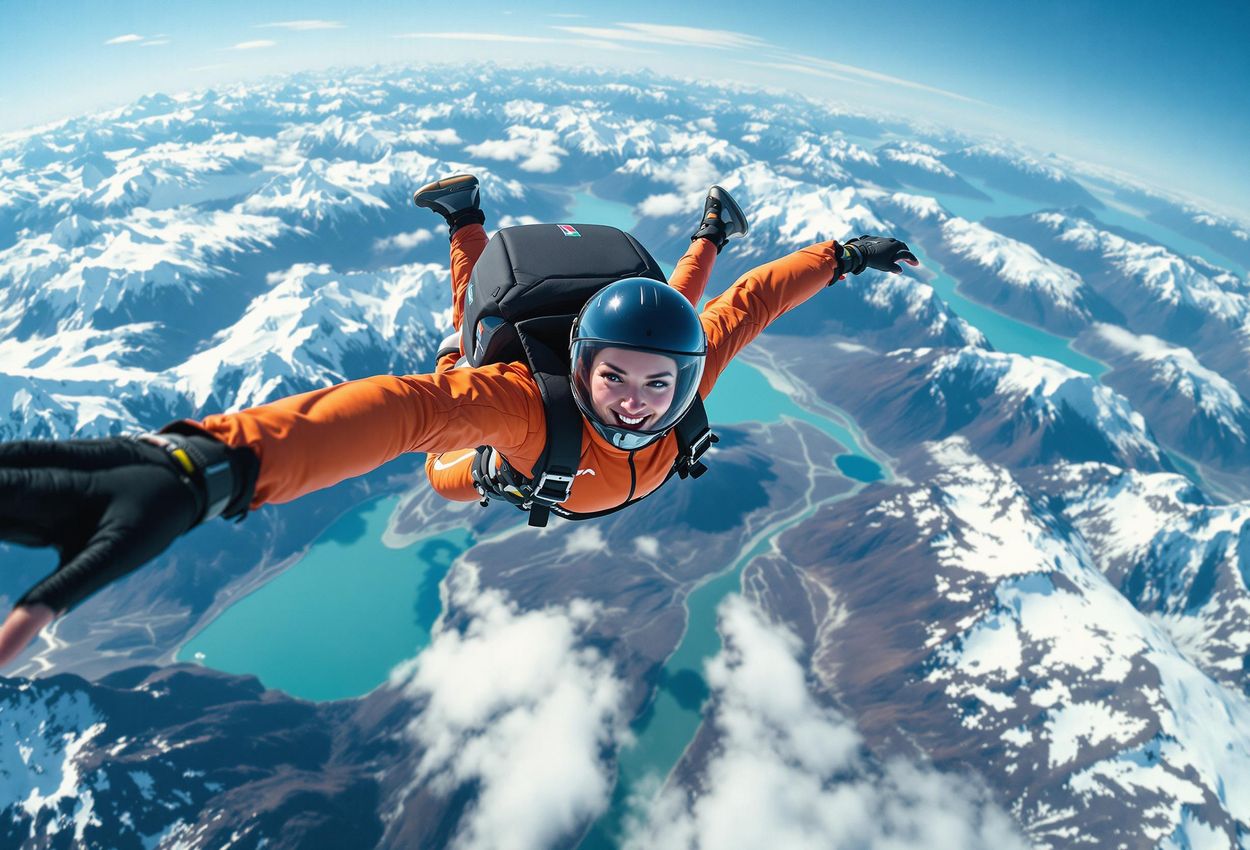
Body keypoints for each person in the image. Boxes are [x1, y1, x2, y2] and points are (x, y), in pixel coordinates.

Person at [0, 174, 917, 667]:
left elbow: (747, 305)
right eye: (616, 380)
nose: (639, 403)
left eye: (656, 387)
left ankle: (707, 223)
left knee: (676, 306)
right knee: (456, 391)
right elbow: (401, 415)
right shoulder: (526, 407)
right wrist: (213, 466)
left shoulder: (682, 376)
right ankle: (464, 217)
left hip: (587, 446)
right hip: (509, 458)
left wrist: (841, 256)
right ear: (575, 368)